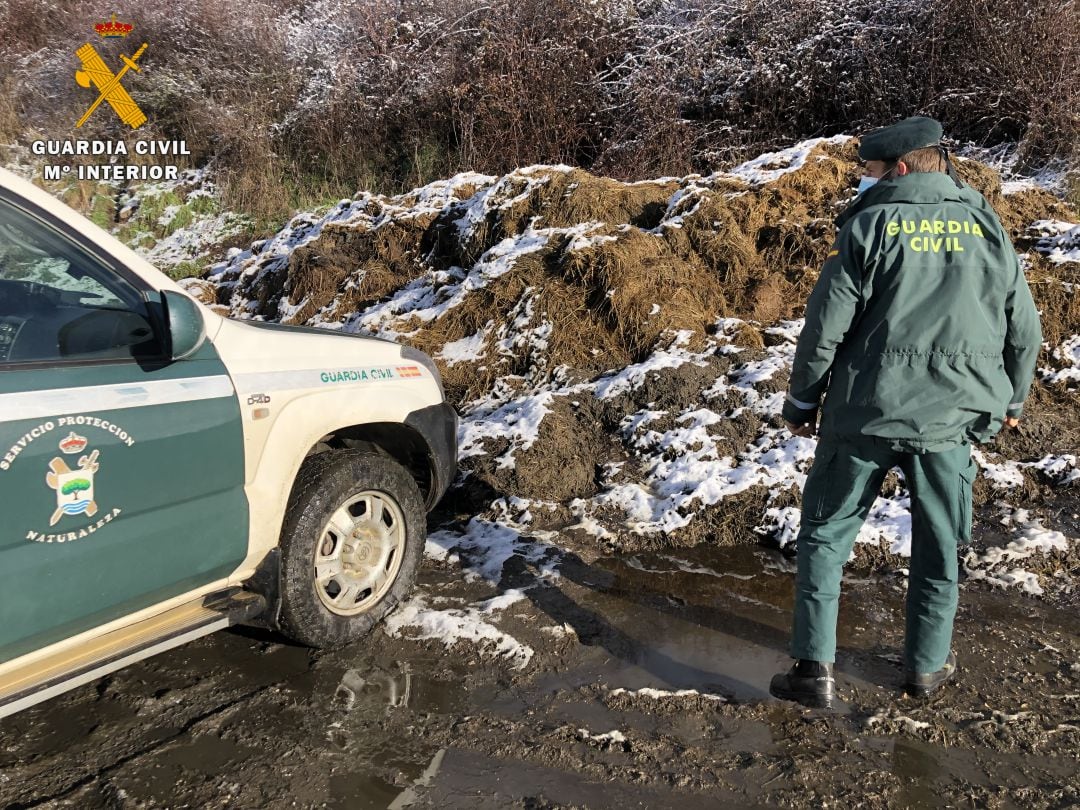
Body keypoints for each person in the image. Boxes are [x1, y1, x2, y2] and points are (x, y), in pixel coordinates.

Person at [768, 116, 1042, 709]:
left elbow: (823, 330)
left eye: (867, 171)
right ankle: (925, 668)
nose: (861, 181)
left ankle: (813, 669)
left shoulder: (867, 226)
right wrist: (1012, 400)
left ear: (896, 168)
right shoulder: (986, 227)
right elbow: (1025, 327)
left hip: (864, 415)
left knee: (825, 536)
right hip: (951, 422)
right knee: (939, 546)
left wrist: (801, 401)